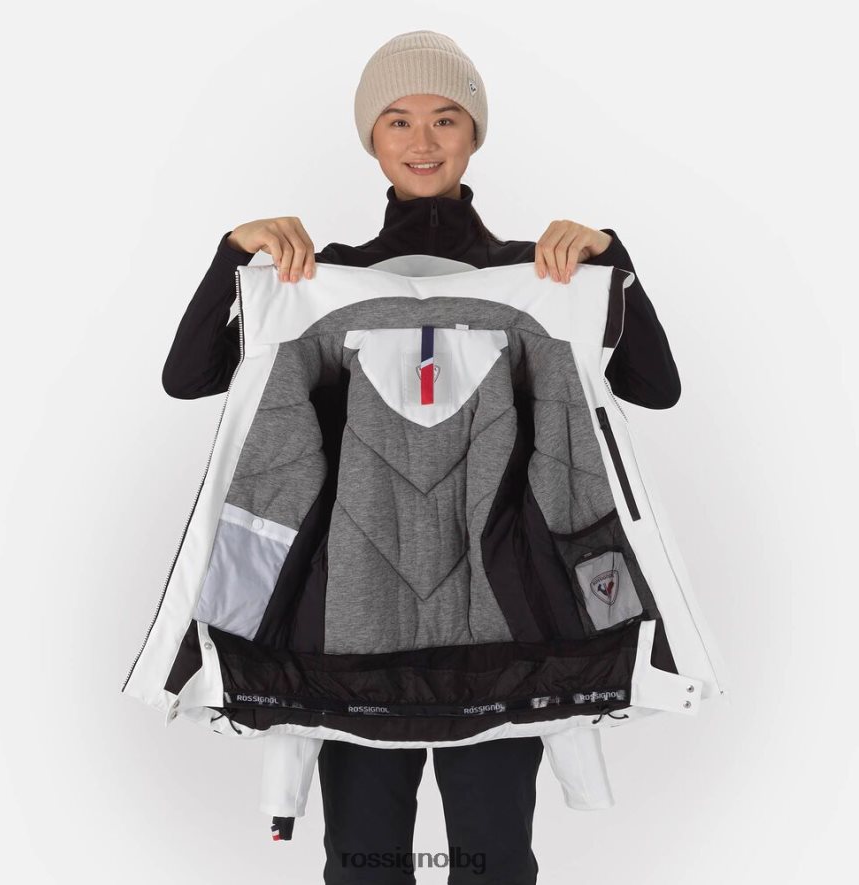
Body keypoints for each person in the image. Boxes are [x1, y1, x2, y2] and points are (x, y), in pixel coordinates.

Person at [161, 29, 680, 885]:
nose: (422, 140)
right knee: (363, 866)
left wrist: (610, 263)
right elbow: (189, 379)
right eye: (397, 120)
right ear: (371, 138)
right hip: (353, 629)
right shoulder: (318, 278)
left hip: (501, 627)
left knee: (492, 864)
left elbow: (653, 389)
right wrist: (231, 258)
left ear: (474, 133)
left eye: (446, 118)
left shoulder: (537, 275)